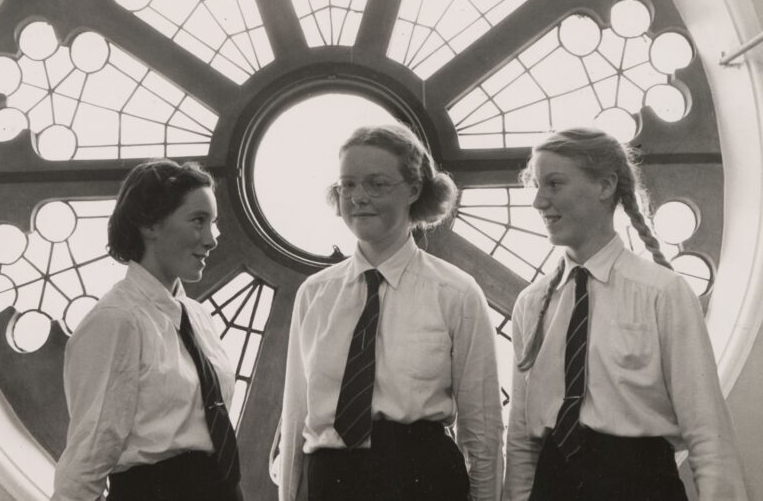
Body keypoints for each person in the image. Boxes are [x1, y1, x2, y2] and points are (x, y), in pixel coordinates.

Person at [504, 128, 747, 500]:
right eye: (536, 186)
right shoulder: (532, 303)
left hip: (641, 484)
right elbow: (522, 441)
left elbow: (707, 434)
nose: (539, 201)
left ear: (605, 185)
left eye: (554, 184)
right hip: (554, 486)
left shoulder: (662, 293)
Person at [279, 124, 503, 501]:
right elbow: (295, 414)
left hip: (422, 477)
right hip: (331, 480)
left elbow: (481, 427)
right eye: (347, 185)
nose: (358, 197)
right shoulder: (314, 294)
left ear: (414, 190)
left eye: (376, 184)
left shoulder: (456, 293)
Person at [53, 159, 244, 501]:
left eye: (213, 223)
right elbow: (90, 451)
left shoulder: (197, 317)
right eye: (198, 221)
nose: (212, 239)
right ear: (149, 224)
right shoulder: (116, 320)